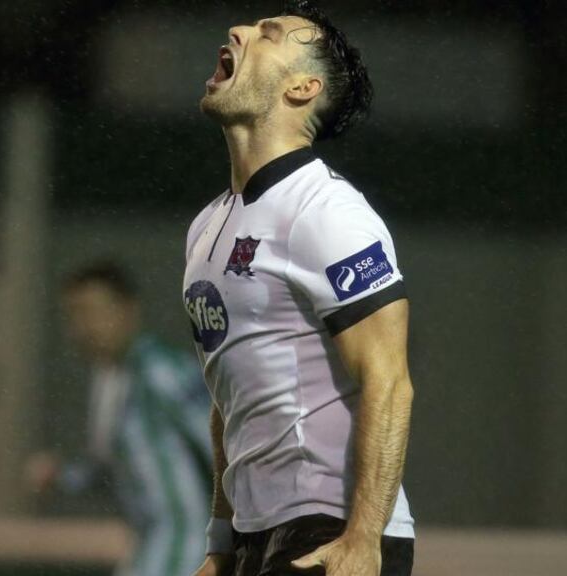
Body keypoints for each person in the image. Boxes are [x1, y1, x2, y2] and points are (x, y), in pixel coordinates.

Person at [184, 1, 416, 575]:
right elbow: (229, 398)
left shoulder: (328, 212)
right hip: (254, 533)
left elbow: (389, 382)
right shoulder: (208, 224)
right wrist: (220, 542)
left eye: (268, 36)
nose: (238, 30)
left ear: (303, 88)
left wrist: (364, 538)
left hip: (330, 524)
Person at [27, 262, 214, 576]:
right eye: (75, 314)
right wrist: (62, 476)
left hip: (186, 546)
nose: (85, 326)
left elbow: (222, 447)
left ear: (128, 310)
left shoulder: (160, 372)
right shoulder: (110, 382)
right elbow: (111, 470)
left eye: (93, 312)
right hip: (150, 545)